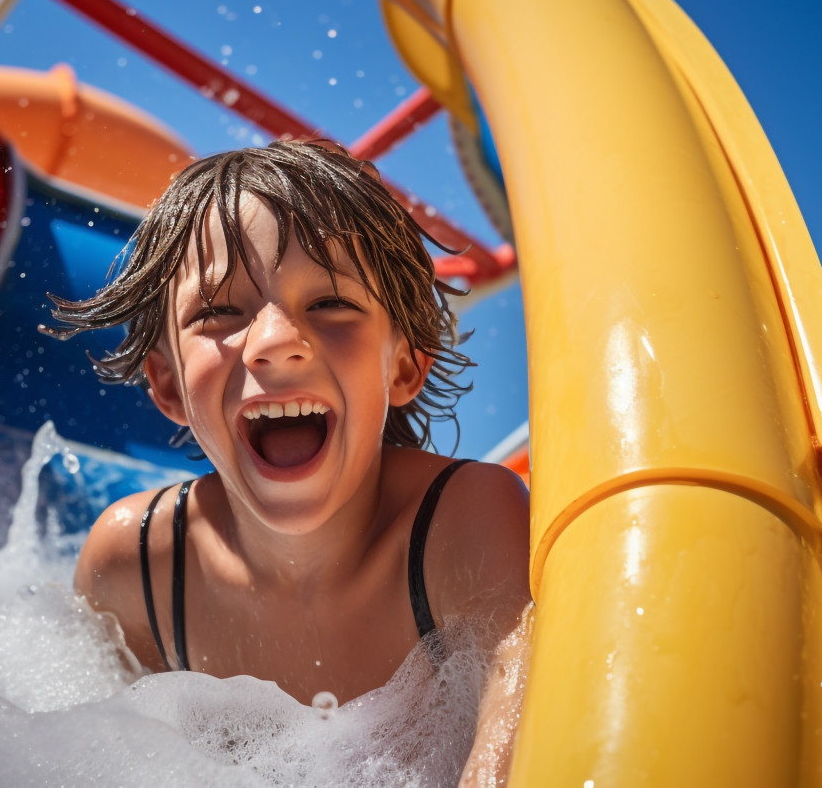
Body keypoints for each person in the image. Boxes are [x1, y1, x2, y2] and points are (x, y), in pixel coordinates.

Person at [47, 140, 531, 783]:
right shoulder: (137, 568)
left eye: (330, 303)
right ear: (167, 386)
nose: (276, 344)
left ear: (405, 364)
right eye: (219, 311)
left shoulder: (463, 527)